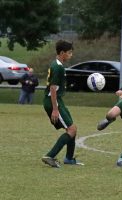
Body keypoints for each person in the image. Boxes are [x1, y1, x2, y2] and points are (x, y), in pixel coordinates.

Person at [41, 40, 83, 168]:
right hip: (53, 102)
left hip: (57, 101)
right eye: (69, 53)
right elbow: (53, 88)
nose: (71, 55)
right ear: (62, 53)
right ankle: (50, 156)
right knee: (71, 130)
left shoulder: (57, 64)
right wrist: (55, 109)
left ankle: (69, 159)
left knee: (73, 128)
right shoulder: (58, 67)